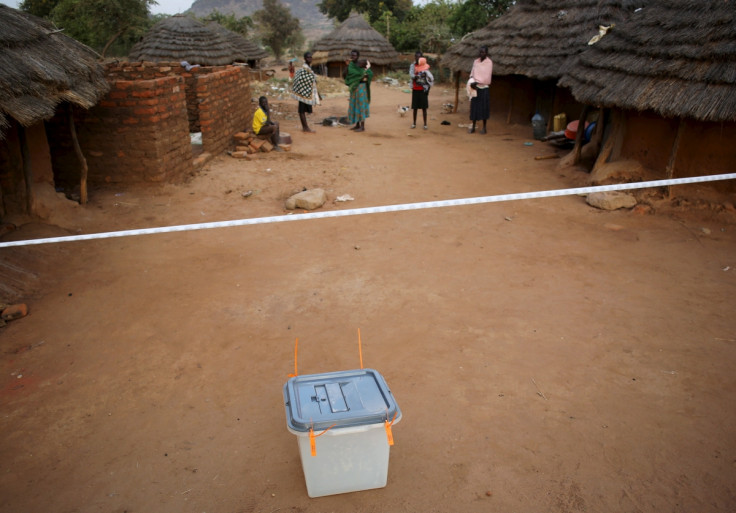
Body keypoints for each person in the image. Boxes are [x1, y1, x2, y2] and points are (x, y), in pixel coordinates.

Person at [290, 52, 320, 133]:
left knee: (303, 110)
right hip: (303, 92)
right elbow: (300, 79)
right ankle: (305, 127)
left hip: (307, 92)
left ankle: (305, 127)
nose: (309, 59)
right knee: (301, 110)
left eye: (310, 57)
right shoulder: (304, 68)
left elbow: (311, 78)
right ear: (305, 58)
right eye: (308, 57)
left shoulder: (308, 68)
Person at [344, 49, 373, 132]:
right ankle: (357, 125)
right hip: (354, 88)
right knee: (354, 105)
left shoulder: (362, 64)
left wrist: (365, 74)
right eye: (352, 55)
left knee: (361, 106)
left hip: (361, 88)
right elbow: (347, 74)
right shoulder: (351, 65)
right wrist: (346, 65)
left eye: (354, 55)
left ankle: (362, 126)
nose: (353, 57)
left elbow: (370, 73)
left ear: (358, 56)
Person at [467, 46, 493, 134]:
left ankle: (484, 128)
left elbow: (487, 77)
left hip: (484, 88)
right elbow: (472, 73)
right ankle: (473, 127)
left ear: (487, 53)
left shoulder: (489, 63)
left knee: (484, 108)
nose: (482, 54)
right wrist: (472, 81)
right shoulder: (476, 62)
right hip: (475, 88)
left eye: (483, 52)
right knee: (474, 107)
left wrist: (477, 82)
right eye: (480, 52)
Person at [410, 56, 434, 130]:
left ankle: (425, 124)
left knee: (424, 108)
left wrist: (428, 88)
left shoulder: (426, 71)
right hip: (415, 89)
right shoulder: (414, 68)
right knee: (415, 108)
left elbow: (431, 79)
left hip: (423, 90)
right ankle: (414, 123)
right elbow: (411, 76)